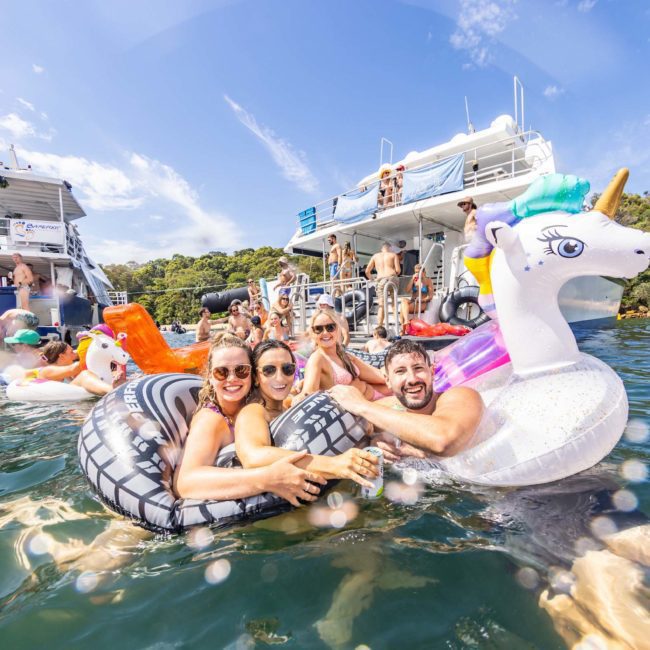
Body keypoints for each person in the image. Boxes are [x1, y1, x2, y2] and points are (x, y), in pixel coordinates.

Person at [174, 333, 326, 505]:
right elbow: (185, 482)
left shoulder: (250, 406)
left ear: (252, 374)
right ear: (209, 375)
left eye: (241, 370)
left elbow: (282, 402)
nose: (232, 379)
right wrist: (267, 479)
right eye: (221, 372)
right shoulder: (211, 420)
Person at [235, 340, 379, 491]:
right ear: (256, 378)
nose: (280, 377)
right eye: (269, 370)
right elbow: (252, 456)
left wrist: (372, 437)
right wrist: (334, 464)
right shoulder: (254, 410)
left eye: (287, 369)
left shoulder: (289, 405)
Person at [329, 339, 484, 459]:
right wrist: (375, 441)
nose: (412, 379)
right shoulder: (385, 408)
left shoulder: (462, 396)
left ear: (432, 372)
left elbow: (444, 440)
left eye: (418, 368)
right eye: (400, 371)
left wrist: (361, 405)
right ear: (387, 380)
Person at [296, 309, 390, 402]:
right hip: (365, 407)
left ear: (337, 329)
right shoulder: (317, 359)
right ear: (313, 333)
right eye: (318, 329)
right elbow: (308, 394)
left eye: (330, 327)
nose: (325, 333)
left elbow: (379, 375)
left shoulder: (344, 355)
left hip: (376, 395)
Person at [27, 340, 123, 396]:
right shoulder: (48, 370)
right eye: (71, 352)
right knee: (84, 375)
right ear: (61, 356)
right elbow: (74, 368)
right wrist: (91, 353)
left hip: (66, 398)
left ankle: (115, 386)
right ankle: (112, 390)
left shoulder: (65, 373)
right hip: (57, 400)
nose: (75, 354)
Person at [365, 242, 401, 328]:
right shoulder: (393, 255)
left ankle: (380, 327)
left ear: (381, 249)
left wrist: (372, 279)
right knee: (394, 303)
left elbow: (367, 271)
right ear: (389, 248)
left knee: (381, 304)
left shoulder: (375, 256)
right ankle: (397, 325)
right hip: (392, 278)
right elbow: (398, 270)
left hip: (381, 279)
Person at [400, 264, 434, 332]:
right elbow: (407, 290)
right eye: (416, 272)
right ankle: (406, 321)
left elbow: (430, 296)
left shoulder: (428, 281)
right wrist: (412, 280)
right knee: (403, 301)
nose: (417, 274)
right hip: (413, 301)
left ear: (424, 272)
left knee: (402, 309)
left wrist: (423, 300)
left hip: (422, 303)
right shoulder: (414, 280)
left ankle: (402, 330)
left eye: (419, 272)